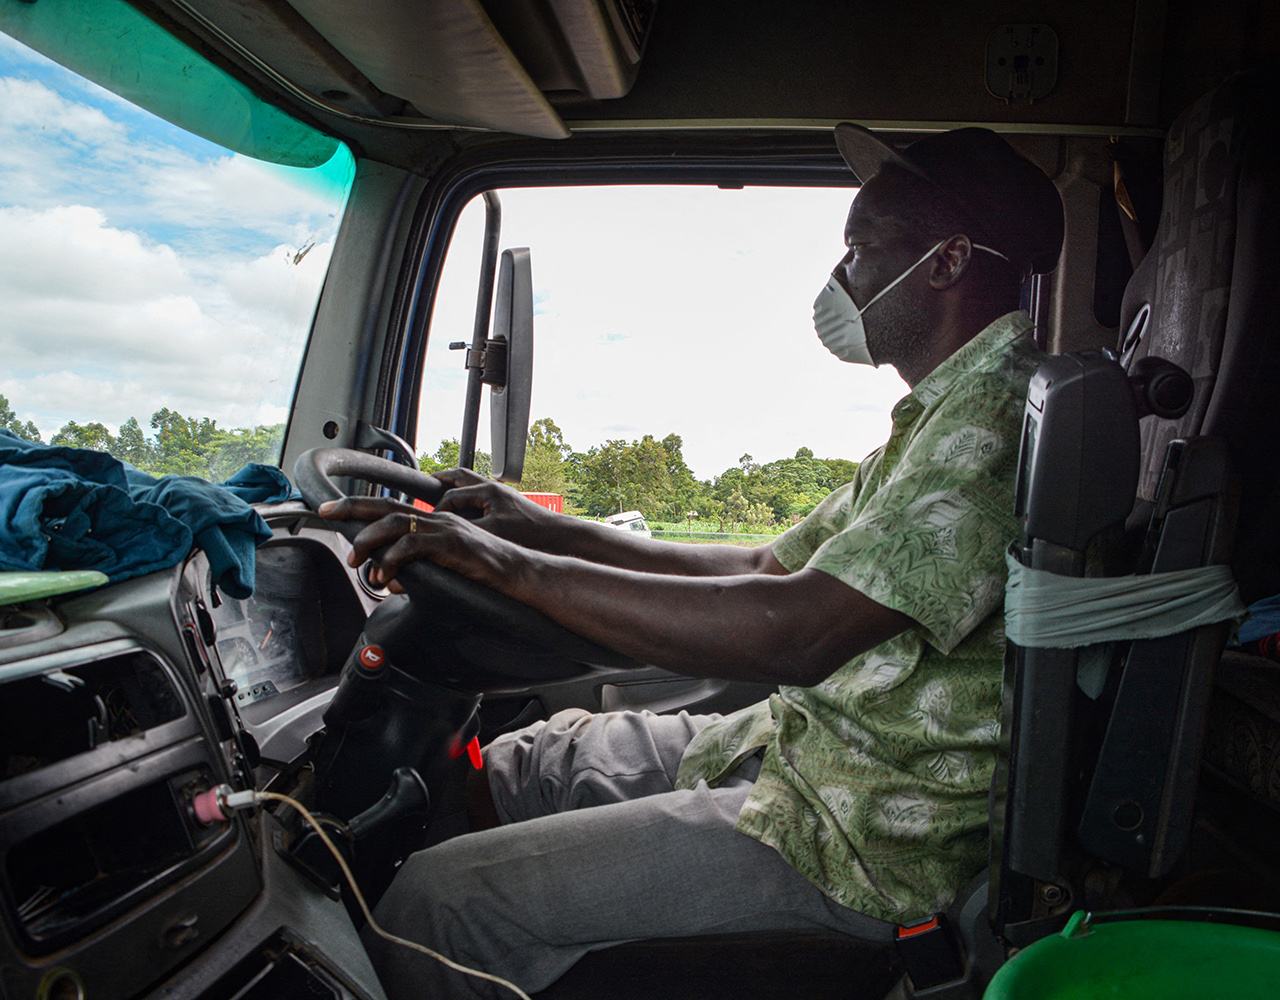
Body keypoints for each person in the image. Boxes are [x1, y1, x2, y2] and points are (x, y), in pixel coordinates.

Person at [319, 123, 1064, 998]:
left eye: (861, 250)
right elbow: (765, 566)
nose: (840, 281)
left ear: (946, 262)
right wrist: (539, 529)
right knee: (523, 763)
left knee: (437, 904)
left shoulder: (991, 425)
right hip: (807, 756)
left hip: (860, 835)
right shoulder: (939, 418)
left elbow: (796, 633)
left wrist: (511, 570)